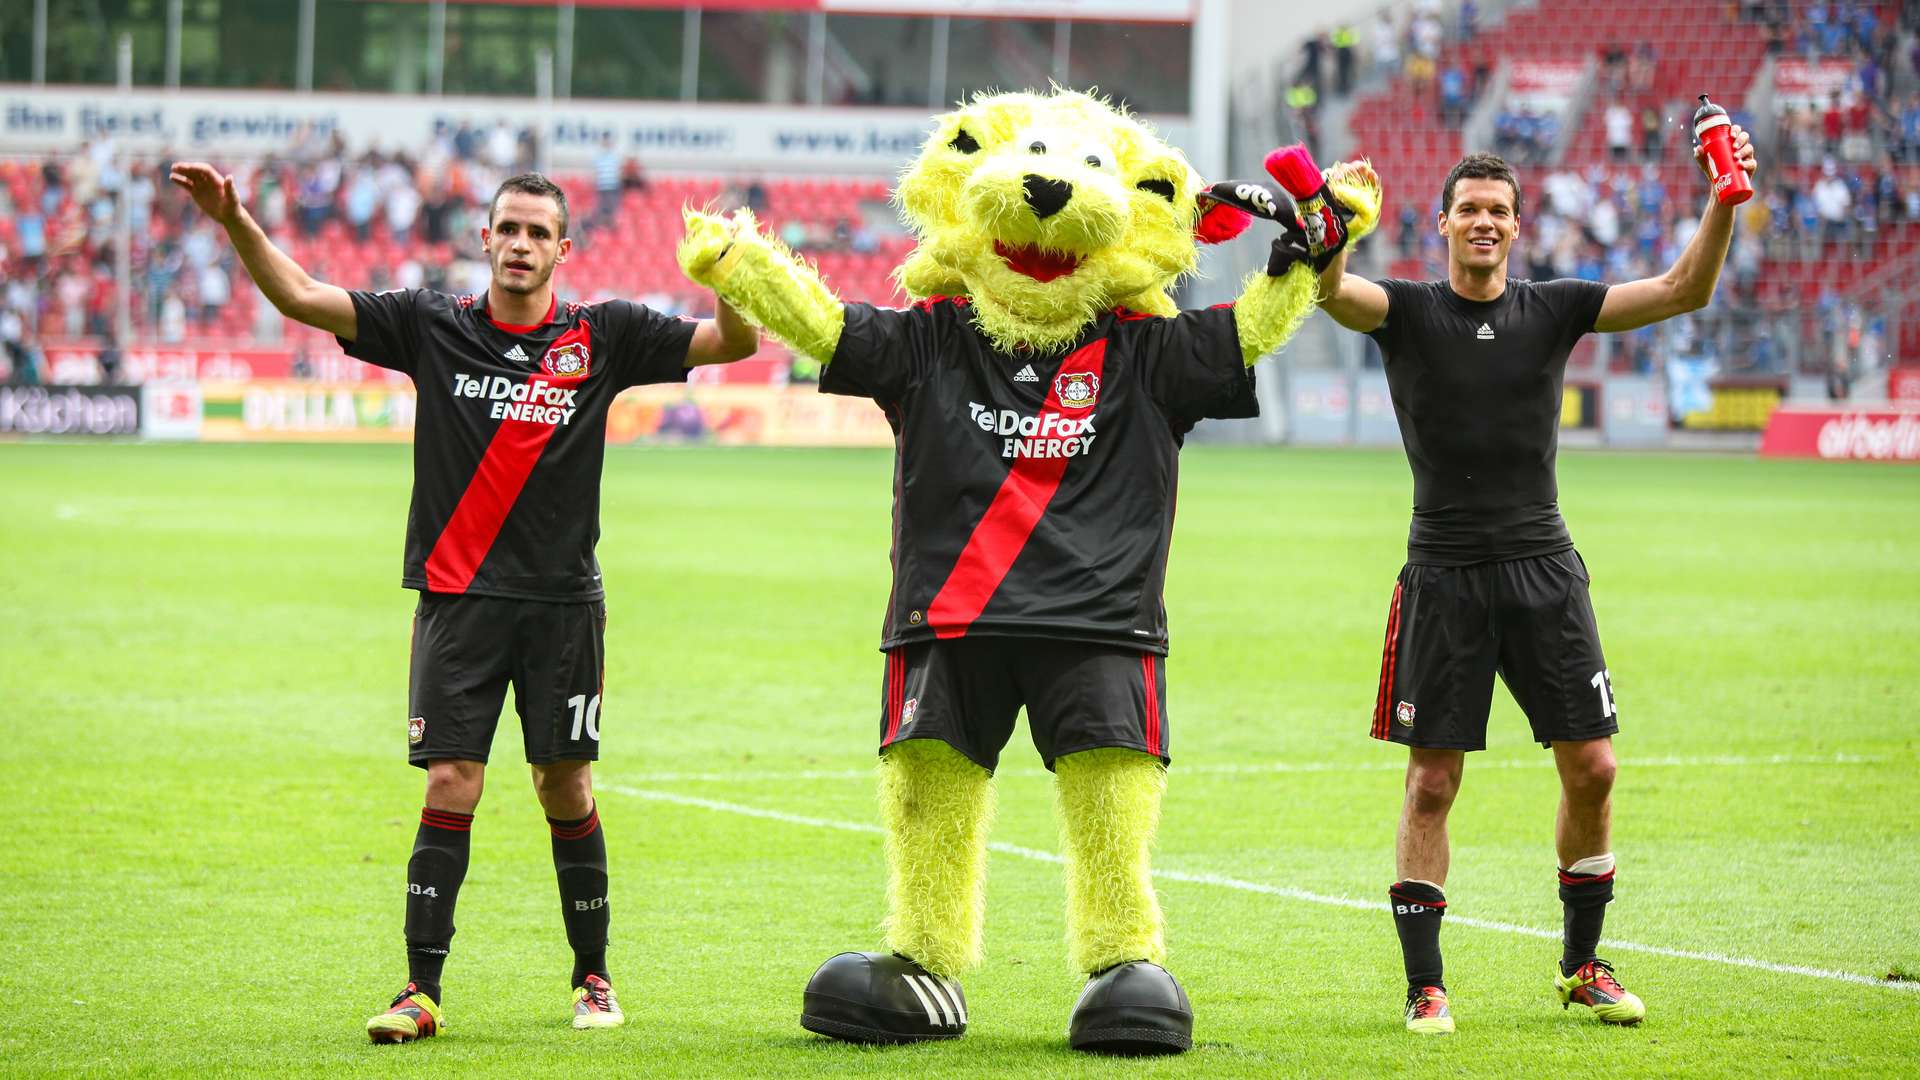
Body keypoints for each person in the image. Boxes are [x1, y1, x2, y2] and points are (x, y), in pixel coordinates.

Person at [167, 162, 757, 1042]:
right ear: (483, 239)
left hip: (562, 606)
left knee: (565, 784)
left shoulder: (606, 335)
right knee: (454, 779)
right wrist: (236, 219)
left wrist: (730, 276)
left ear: (565, 247)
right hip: (457, 601)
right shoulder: (429, 324)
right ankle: (419, 990)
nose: (520, 245)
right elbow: (300, 297)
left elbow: (731, 346)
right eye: (507, 230)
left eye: (537, 233)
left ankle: (592, 976)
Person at [1312, 127, 1758, 1035]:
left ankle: (1583, 965)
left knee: (1593, 767)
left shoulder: (1554, 308)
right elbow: (1330, 293)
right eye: (1469, 209)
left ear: (1518, 229)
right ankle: (1425, 986)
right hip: (1443, 572)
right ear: (1442, 224)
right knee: (1432, 784)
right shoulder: (1406, 309)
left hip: (1545, 570)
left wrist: (1722, 201)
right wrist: (1341, 223)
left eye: (1499, 212)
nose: (1484, 222)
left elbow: (1684, 290)